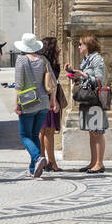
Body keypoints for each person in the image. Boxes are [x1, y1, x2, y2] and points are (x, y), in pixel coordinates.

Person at [13, 31, 56, 178]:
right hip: (43, 101)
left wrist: (17, 104)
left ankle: (37, 157)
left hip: (28, 101)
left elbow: (18, 85)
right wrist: (52, 101)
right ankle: (33, 169)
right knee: (34, 135)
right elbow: (53, 82)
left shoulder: (21, 60)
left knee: (24, 135)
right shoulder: (43, 59)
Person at [66, 34, 108, 174]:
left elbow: (99, 80)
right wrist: (72, 73)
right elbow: (84, 80)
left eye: (80, 44)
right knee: (92, 132)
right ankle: (93, 161)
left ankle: (99, 163)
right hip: (87, 99)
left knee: (97, 132)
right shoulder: (86, 60)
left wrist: (83, 75)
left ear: (88, 45)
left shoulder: (97, 59)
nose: (78, 47)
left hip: (95, 100)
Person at [38, 36, 64, 172]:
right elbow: (51, 83)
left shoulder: (42, 61)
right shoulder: (49, 63)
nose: (59, 49)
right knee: (49, 131)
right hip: (49, 99)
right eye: (56, 47)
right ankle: (52, 162)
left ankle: (41, 159)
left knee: (43, 130)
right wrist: (54, 101)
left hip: (42, 99)